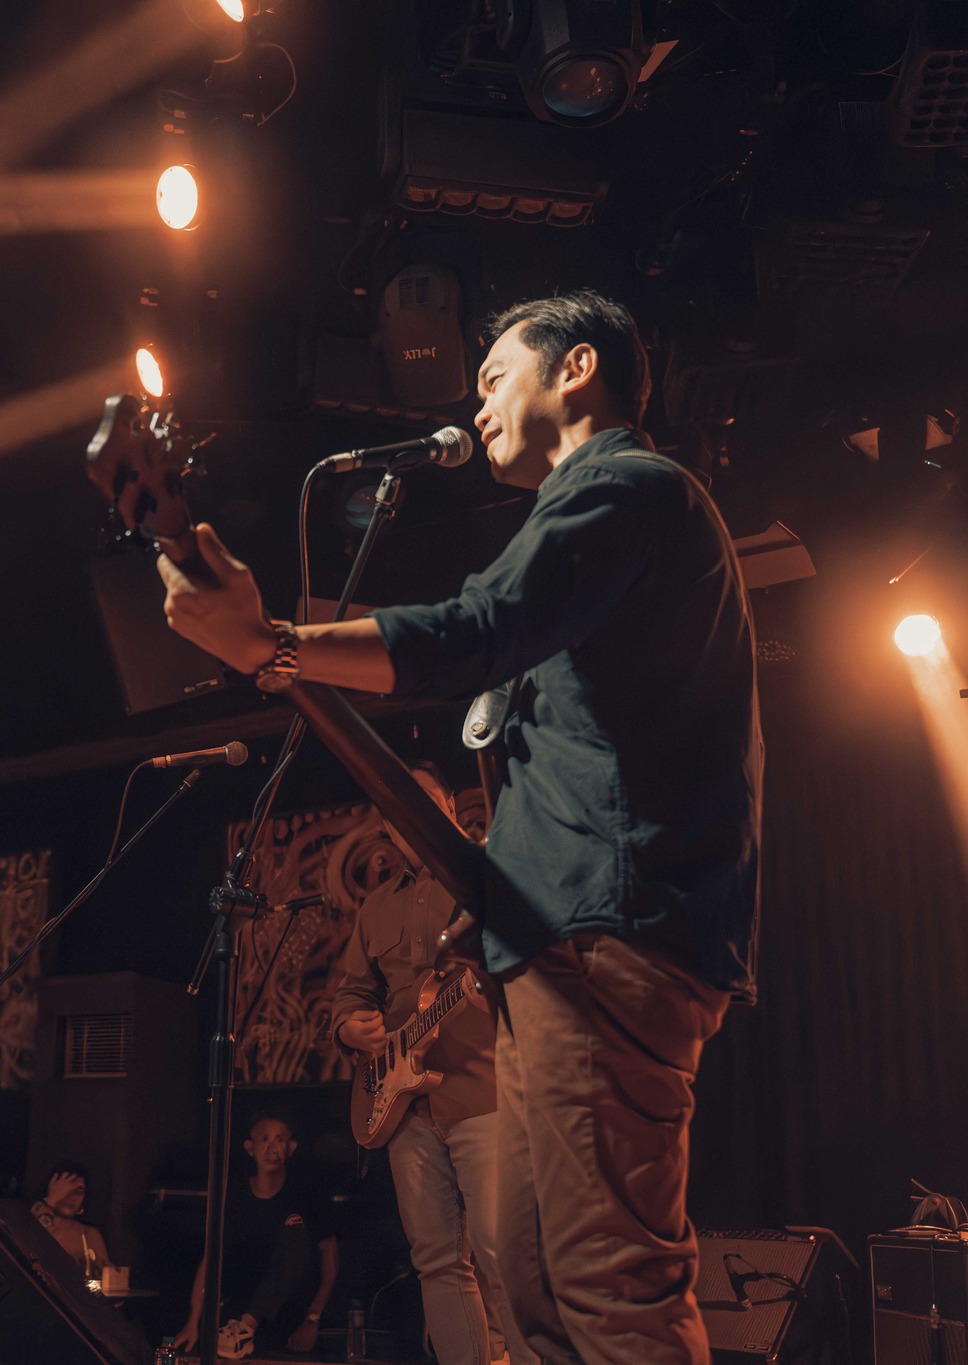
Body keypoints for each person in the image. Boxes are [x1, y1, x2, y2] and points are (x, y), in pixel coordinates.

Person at [158, 289, 761, 1365]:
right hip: (554, 945)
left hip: (608, 934)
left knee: (608, 1285)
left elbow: (473, 629)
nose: (474, 405)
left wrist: (275, 645)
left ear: (576, 368)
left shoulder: (625, 487)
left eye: (493, 376)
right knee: (529, 1287)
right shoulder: (604, 524)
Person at [334, 763, 511, 1365]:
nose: (407, 813)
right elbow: (352, 993)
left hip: (483, 1085)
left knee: (502, 1252)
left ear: (450, 808)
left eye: (422, 800)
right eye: (395, 806)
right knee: (436, 1261)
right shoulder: (375, 906)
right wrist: (349, 1026)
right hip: (404, 1103)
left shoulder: (486, 875)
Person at [174, 1113, 338, 1360]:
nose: (272, 1147)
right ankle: (241, 1328)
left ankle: (247, 1326)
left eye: (279, 1139)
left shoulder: (305, 1193)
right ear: (250, 1148)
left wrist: (312, 1320)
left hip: (289, 1311)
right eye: (264, 1139)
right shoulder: (235, 1194)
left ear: (291, 1148)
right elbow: (211, 1259)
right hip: (238, 1309)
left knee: (294, 1228)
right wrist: (194, 1321)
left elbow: (330, 1262)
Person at [29, 1162, 109, 1271]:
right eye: (65, 1189)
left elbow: (106, 1273)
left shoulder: (89, 1234)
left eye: (79, 1190)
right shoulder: (31, 1222)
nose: (71, 1196)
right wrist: (51, 1202)